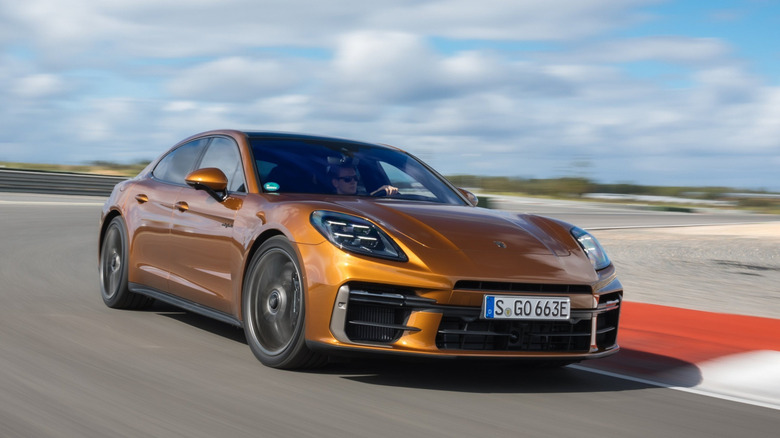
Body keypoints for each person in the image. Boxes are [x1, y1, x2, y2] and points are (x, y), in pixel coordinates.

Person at [330, 164, 398, 196]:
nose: (353, 182)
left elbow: (369, 197)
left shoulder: (363, 196)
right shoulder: (330, 202)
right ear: (335, 183)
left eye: (355, 178)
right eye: (347, 179)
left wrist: (383, 191)